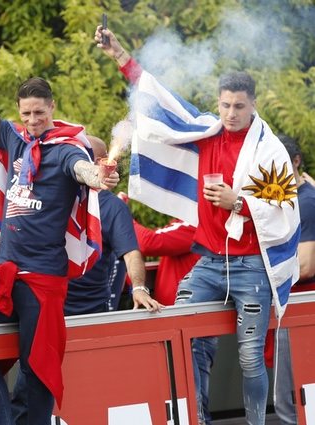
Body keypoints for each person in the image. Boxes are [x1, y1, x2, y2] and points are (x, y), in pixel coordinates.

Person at [96, 26, 300, 425]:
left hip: (252, 265)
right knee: (182, 336)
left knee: (249, 355)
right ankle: (198, 419)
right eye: (225, 105)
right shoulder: (206, 131)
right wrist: (118, 53)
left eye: (239, 107)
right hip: (208, 262)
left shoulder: (268, 149)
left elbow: (283, 211)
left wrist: (237, 201)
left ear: (253, 105)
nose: (230, 114)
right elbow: (158, 98)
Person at [0, 25, 147, 425]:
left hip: (42, 277)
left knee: (37, 370)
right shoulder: (14, 137)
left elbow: (85, 172)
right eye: (26, 114)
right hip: (6, 271)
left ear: (52, 108)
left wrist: (101, 177)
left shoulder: (64, 150)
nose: (34, 120)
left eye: (40, 113)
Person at [65, 136, 159, 316]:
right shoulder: (53, 194)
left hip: (89, 310)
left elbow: (131, 254)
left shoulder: (112, 206)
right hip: (46, 301)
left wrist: (139, 288)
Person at [272, 134, 315, 425]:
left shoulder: (307, 202)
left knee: (289, 397)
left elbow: (307, 265)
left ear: (296, 161)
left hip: (302, 305)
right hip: (291, 305)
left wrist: (264, 273)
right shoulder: (288, 199)